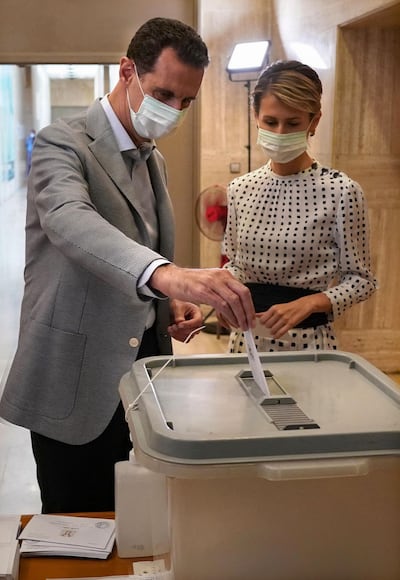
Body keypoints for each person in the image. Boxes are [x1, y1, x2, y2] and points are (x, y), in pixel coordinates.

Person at [0, 17, 255, 513]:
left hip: (141, 376)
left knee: (136, 517)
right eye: (164, 93)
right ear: (126, 72)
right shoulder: (63, 142)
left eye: (187, 101)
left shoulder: (152, 158)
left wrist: (170, 296)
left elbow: (141, 246)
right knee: (80, 522)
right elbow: (70, 220)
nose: (175, 110)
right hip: (75, 374)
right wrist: (168, 274)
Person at [220, 60, 377, 353]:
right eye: (270, 122)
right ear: (255, 117)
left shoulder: (341, 191)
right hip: (247, 341)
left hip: (308, 344)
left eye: (292, 123)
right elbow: (235, 264)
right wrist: (226, 296)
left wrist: (311, 303)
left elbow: (362, 280)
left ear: (313, 122)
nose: (280, 133)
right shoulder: (239, 189)